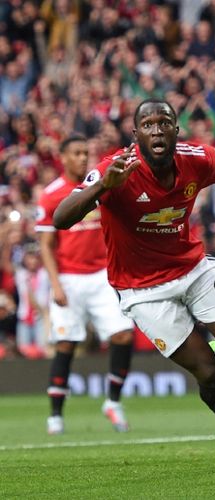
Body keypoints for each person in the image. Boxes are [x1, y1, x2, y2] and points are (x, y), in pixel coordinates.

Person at [53, 98, 215, 461]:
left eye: (164, 122)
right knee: (210, 377)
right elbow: (62, 217)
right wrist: (101, 187)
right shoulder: (116, 169)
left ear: (176, 129)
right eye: (148, 124)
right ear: (135, 132)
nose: (157, 130)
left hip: (192, 268)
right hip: (142, 290)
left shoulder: (194, 158)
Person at [36, 134, 136, 435]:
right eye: (76, 153)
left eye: (85, 153)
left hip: (102, 275)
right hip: (69, 277)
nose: (82, 158)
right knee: (66, 344)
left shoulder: (101, 183)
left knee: (122, 335)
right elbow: (46, 244)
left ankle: (113, 402)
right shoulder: (52, 194)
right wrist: (55, 284)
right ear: (63, 158)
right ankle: (55, 415)